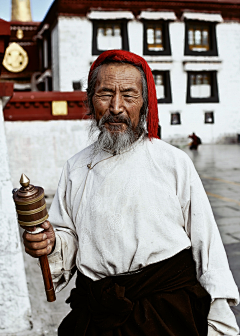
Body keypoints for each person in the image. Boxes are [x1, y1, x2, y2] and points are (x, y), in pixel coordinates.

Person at [22, 50, 239, 336]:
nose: (116, 106)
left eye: (128, 94)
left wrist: (219, 318)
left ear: (145, 103)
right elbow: (70, 236)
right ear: (90, 101)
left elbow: (206, 244)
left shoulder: (172, 162)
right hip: (97, 312)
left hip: (165, 312)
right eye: (104, 94)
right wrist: (52, 242)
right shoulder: (76, 167)